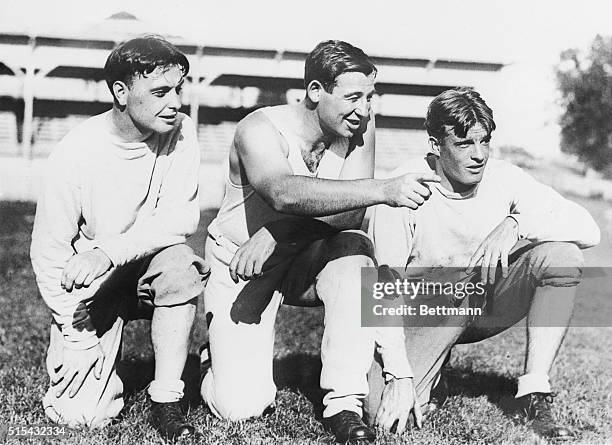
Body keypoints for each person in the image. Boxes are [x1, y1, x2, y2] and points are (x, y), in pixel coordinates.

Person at [199, 40, 440, 443]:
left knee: (356, 249)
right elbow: (283, 193)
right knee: (239, 408)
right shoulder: (258, 129)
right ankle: (215, 362)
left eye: (369, 97)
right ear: (315, 91)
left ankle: (343, 403)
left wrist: (281, 233)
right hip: (242, 262)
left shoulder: (359, 125)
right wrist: (382, 188)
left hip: (300, 254)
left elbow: (348, 214)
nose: (363, 110)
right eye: (352, 98)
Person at [366, 88, 600, 440]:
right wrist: (398, 374)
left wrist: (517, 224)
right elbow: (383, 293)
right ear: (435, 145)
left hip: (483, 300)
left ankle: (533, 392)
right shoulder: (405, 189)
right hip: (425, 311)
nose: (478, 156)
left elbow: (588, 227)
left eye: (484, 142)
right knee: (381, 414)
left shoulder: (504, 176)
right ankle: (432, 375)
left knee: (562, 257)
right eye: (463, 144)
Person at [30, 35, 208, 440]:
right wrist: (76, 336)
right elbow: (48, 253)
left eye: (178, 90)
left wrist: (111, 251)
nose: (176, 103)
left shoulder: (182, 131)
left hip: (147, 266)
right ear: (121, 92)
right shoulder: (76, 151)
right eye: (161, 92)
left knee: (182, 264)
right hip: (94, 284)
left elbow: (181, 216)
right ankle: (86, 349)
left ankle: (166, 398)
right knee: (80, 418)